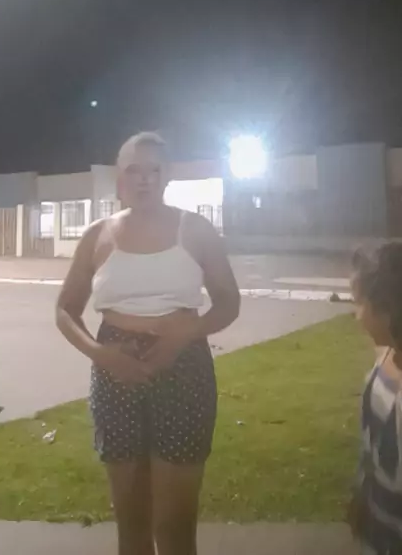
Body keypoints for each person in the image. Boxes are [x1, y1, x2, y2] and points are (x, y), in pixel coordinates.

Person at [56, 132, 240, 555]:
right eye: (134, 170)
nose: (144, 179)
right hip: (115, 374)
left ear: (167, 175)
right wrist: (100, 354)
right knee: (132, 526)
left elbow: (229, 302)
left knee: (175, 527)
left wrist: (185, 334)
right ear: (119, 177)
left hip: (184, 369)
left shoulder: (196, 230)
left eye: (154, 170)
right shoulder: (98, 235)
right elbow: (65, 310)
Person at [348, 243, 402, 555]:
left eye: (359, 303)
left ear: (388, 308)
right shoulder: (386, 355)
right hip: (378, 527)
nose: (356, 316)